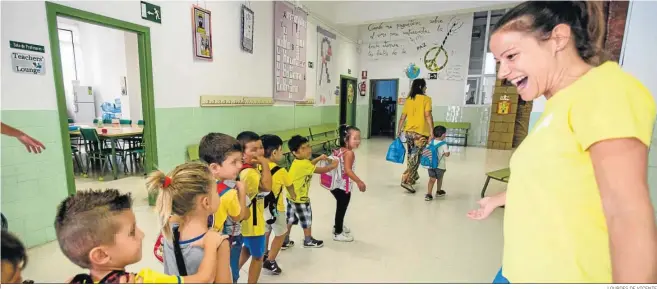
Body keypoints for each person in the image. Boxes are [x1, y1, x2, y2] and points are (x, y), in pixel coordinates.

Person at [467, 1, 657, 283]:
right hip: (518, 270)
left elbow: (627, 216)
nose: (503, 73)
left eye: (511, 56)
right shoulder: (557, 105)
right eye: (498, 62)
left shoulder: (605, 91)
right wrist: (500, 199)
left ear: (558, 38)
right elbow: (562, 179)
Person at [55, 188, 227, 283]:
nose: (142, 234)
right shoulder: (145, 280)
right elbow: (203, 279)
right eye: (132, 232)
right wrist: (212, 245)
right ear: (101, 255)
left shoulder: (77, 282)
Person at [147, 163, 231, 283]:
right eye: (216, 191)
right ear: (206, 202)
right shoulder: (220, 244)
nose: (219, 195)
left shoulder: (168, 231)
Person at [198, 132, 247, 283]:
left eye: (241, 160)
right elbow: (240, 216)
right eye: (234, 162)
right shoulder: (229, 194)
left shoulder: (197, 186)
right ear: (214, 167)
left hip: (199, 247)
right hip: (220, 245)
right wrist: (242, 190)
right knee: (229, 274)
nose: (240, 165)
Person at [285, 135, 338, 248]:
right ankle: (308, 240)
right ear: (295, 152)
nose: (309, 149)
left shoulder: (299, 162)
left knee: (290, 219)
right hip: (300, 198)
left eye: (309, 146)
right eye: (304, 148)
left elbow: (309, 165)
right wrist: (333, 165)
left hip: (291, 197)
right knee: (306, 218)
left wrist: (319, 158)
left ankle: (284, 240)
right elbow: (322, 170)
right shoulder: (303, 164)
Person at [236, 131, 271, 284]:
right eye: (253, 149)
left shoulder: (245, 168)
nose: (260, 152)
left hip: (247, 221)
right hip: (253, 223)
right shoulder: (249, 173)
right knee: (258, 257)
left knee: (248, 249)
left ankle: (230, 274)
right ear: (242, 154)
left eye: (261, 147)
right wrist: (265, 163)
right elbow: (267, 187)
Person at [260, 134, 296, 274]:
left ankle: (263, 254)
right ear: (274, 152)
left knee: (265, 231)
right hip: (276, 209)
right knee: (280, 234)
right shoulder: (281, 171)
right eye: (281, 150)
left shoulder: (258, 168)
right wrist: (293, 195)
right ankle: (271, 260)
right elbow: (290, 186)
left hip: (260, 208)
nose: (282, 153)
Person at [397, 79, 434, 193]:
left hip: (408, 132)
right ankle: (407, 181)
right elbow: (428, 116)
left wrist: (399, 129)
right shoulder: (426, 99)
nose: (426, 88)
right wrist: (432, 131)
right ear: (421, 87)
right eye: (425, 86)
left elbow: (403, 116)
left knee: (411, 156)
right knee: (415, 158)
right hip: (420, 134)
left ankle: (412, 177)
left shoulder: (409, 99)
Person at [330, 125, 366, 242]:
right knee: (341, 208)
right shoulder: (349, 153)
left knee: (340, 207)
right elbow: (348, 170)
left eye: (359, 138)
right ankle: (338, 232)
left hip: (335, 184)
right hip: (342, 187)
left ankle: (338, 226)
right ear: (346, 140)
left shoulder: (340, 150)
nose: (358, 141)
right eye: (355, 138)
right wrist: (359, 181)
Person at [425, 125, 450, 201]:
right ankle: (438, 191)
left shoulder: (430, 142)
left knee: (431, 179)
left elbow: (427, 150)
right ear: (443, 135)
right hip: (440, 166)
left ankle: (429, 194)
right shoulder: (443, 144)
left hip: (430, 165)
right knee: (440, 178)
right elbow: (447, 154)